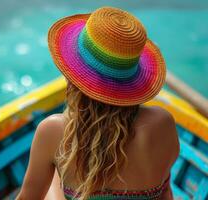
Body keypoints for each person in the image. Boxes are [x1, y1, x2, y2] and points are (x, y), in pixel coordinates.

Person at [16, 6, 179, 200]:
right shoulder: (162, 123)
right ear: (132, 81)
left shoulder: (54, 130)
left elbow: (28, 198)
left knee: (54, 177)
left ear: (74, 75)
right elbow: (165, 194)